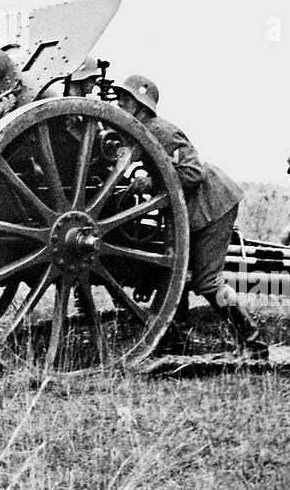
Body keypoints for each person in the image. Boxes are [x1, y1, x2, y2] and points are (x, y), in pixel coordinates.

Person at [114, 74, 267, 356]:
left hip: (212, 205)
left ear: (139, 105)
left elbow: (192, 173)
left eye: (124, 99)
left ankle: (254, 344)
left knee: (207, 281)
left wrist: (152, 183)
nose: (119, 104)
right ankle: (176, 342)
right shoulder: (141, 131)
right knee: (175, 274)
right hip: (192, 209)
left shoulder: (160, 130)